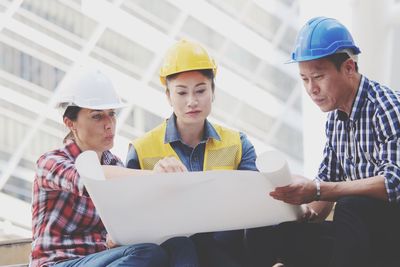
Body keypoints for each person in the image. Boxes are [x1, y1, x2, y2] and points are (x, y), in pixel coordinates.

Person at [249, 17, 400, 267]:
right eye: (304, 79)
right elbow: (328, 179)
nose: (311, 89)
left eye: (318, 76)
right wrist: (303, 209)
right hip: (363, 238)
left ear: (349, 68)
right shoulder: (335, 120)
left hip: (391, 233)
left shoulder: (387, 108)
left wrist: (318, 189)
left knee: (353, 207)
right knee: (269, 228)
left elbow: (393, 183)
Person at [30, 67, 198, 267]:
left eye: (112, 114)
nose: (109, 124)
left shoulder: (115, 164)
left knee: (180, 245)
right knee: (147, 253)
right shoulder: (50, 163)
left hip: (103, 260)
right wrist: (155, 175)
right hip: (59, 262)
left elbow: (128, 222)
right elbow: (91, 178)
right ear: (70, 123)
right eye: (97, 116)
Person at [126, 39, 258, 267]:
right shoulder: (141, 149)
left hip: (228, 254)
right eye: (181, 93)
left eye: (200, 90)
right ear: (168, 96)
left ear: (213, 91)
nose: (192, 101)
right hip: (172, 255)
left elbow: (253, 205)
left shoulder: (238, 144)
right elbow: (130, 218)